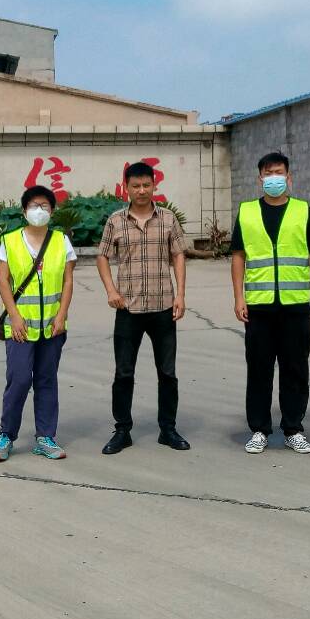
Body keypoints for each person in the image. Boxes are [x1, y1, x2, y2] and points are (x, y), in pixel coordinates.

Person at [230, 151, 310, 454]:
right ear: (260, 178)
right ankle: (259, 429)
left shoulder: (302, 210)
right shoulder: (247, 212)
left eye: (279, 173)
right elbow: (238, 256)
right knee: (259, 370)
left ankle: (293, 429)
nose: (274, 178)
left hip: (294, 306)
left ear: (289, 177)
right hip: (258, 307)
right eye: (268, 173)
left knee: (295, 369)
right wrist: (238, 297)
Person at [95, 161, 190, 454]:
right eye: (135, 186)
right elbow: (102, 256)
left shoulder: (168, 219)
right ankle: (122, 430)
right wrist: (111, 290)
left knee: (168, 373)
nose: (141, 190)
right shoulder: (116, 221)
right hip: (128, 309)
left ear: (154, 186)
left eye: (146, 185)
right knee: (124, 373)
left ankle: (168, 429)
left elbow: (178, 255)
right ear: (126, 187)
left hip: (163, 307)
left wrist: (180, 294)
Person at [0, 185, 76, 462]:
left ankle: (45, 437)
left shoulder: (61, 241)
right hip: (20, 327)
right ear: (24, 210)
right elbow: (3, 281)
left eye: (44, 206)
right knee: (19, 380)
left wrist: (62, 315)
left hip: (52, 326)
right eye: (34, 206)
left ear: (52, 210)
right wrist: (14, 316)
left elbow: (68, 281)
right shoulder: (10, 241)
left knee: (47, 380)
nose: (39, 210)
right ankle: (6, 435)